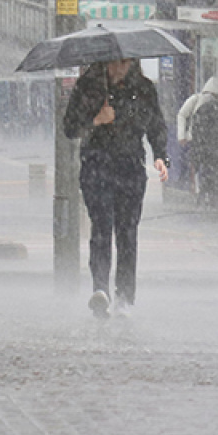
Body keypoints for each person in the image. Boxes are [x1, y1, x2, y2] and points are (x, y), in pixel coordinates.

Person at [63, 58, 169, 318]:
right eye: (114, 64)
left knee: (127, 232)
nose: (119, 69)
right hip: (96, 165)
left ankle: (125, 296)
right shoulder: (88, 86)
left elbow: (155, 124)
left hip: (130, 168)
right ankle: (100, 289)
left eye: (125, 63)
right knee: (101, 228)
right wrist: (97, 120)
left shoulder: (143, 88)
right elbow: (69, 127)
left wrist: (160, 155)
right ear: (104, 63)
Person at [188, 78, 218, 206]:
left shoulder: (202, 109)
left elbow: (196, 130)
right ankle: (216, 196)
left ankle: (204, 194)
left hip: (205, 148)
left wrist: (197, 146)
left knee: (205, 171)